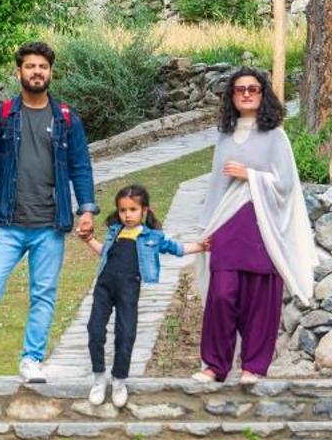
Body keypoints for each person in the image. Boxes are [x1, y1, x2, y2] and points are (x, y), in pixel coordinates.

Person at [0, 41, 96, 387]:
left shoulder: (65, 119)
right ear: (18, 72)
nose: (37, 72)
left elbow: (81, 167)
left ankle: (32, 360)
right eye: (30, 66)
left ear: (51, 72)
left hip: (49, 225)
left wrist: (86, 210)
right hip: (5, 224)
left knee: (44, 294)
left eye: (43, 67)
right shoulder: (1, 116)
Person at [193, 68, 316, 383]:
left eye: (253, 89)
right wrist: (206, 227)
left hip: (261, 226)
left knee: (260, 297)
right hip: (227, 223)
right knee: (222, 294)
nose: (246, 94)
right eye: (239, 90)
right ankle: (215, 365)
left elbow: (287, 183)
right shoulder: (224, 137)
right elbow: (215, 186)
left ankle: (253, 366)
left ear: (263, 94)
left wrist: (251, 176)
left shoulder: (275, 135)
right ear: (231, 97)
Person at [82, 183, 203, 408]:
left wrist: (200, 246)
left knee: (125, 334)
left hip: (128, 289)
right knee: (94, 329)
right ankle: (99, 377)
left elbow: (175, 248)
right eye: (123, 210)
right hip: (104, 286)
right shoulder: (114, 232)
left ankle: (119, 380)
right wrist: (89, 240)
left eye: (132, 209)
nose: (127, 215)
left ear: (144, 210)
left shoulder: (151, 237)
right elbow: (104, 254)